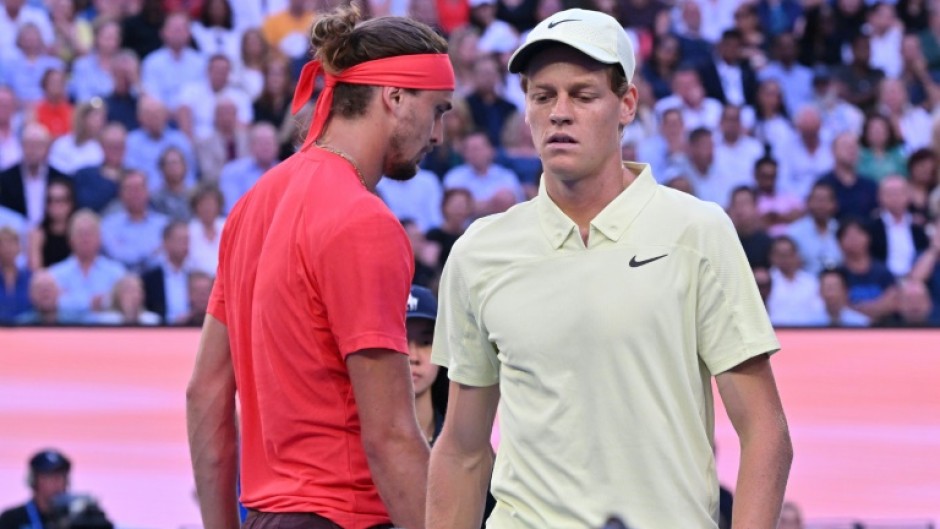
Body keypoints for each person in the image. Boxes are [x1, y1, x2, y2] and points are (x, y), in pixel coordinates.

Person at [427, 9, 792, 529]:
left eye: (582, 95)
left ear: (626, 105)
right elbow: (462, 450)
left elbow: (765, 432)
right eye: (542, 95)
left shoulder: (697, 231)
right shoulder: (480, 251)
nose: (559, 112)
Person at [186, 5, 455, 529]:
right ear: (395, 97)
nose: (438, 134)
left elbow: (205, 394)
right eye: (438, 110)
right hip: (346, 517)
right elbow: (392, 436)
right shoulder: (364, 221)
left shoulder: (253, 203)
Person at [0, 449, 71, 529]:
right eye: (50, 477)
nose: (58, 483)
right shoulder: (12, 519)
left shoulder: (74, 518)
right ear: (33, 480)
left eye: (62, 477)